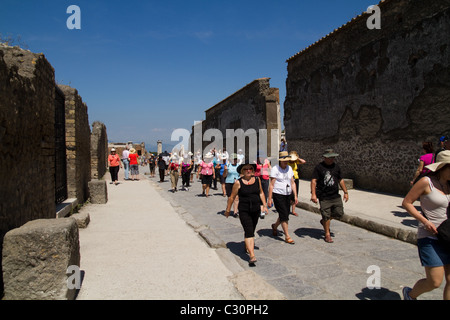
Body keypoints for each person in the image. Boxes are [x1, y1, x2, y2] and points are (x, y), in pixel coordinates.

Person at [402, 150, 450, 300]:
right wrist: (425, 221)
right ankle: (410, 295)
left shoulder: (449, 184)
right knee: (435, 282)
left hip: (448, 236)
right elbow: (407, 203)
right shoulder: (426, 182)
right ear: (442, 167)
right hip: (430, 237)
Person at [225, 163, 268, 265]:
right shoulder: (238, 183)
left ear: (253, 170)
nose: (248, 170)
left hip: (256, 209)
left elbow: (261, 192)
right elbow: (232, 197)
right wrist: (228, 210)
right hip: (244, 210)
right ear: (242, 171)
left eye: (250, 169)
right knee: (249, 231)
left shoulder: (257, 180)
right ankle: (252, 255)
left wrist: (264, 205)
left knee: (251, 229)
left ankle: (247, 244)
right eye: (246, 169)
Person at [310, 149, 349, 243]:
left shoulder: (336, 167)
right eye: (330, 157)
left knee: (339, 213)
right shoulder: (319, 167)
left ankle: (324, 221)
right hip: (324, 196)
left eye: (333, 157)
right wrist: (313, 194)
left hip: (335, 195)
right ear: (325, 157)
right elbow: (314, 181)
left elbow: (340, 180)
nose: (332, 159)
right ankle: (327, 234)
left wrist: (346, 192)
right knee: (326, 215)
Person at [267, 151, 297, 244]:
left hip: (288, 194)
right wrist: (269, 198)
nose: (286, 162)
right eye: (284, 160)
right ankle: (287, 236)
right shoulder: (275, 169)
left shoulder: (289, 169)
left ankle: (275, 226)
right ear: (280, 161)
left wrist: (295, 195)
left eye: (287, 160)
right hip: (278, 194)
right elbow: (271, 185)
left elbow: (292, 182)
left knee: (285, 213)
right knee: (284, 214)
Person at [288, 151, 306, 216]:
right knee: (289, 194)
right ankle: (287, 208)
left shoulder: (296, 162)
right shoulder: (287, 162)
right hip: (289, 179)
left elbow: (303, 161)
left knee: (295, 194)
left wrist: (297, 158)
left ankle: (293, 210)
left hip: (296, 178)